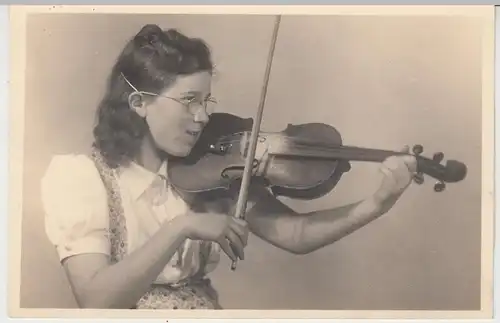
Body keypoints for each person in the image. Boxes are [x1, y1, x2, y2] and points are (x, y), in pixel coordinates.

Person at [40, 24, 417, 310]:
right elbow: (95, 300)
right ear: (139, 102)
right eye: (189, 100)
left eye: (207, 101)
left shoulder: (206, 174)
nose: (204, 116)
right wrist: (183, 225)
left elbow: (297, 233)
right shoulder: (82, 178)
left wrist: (377, 203)